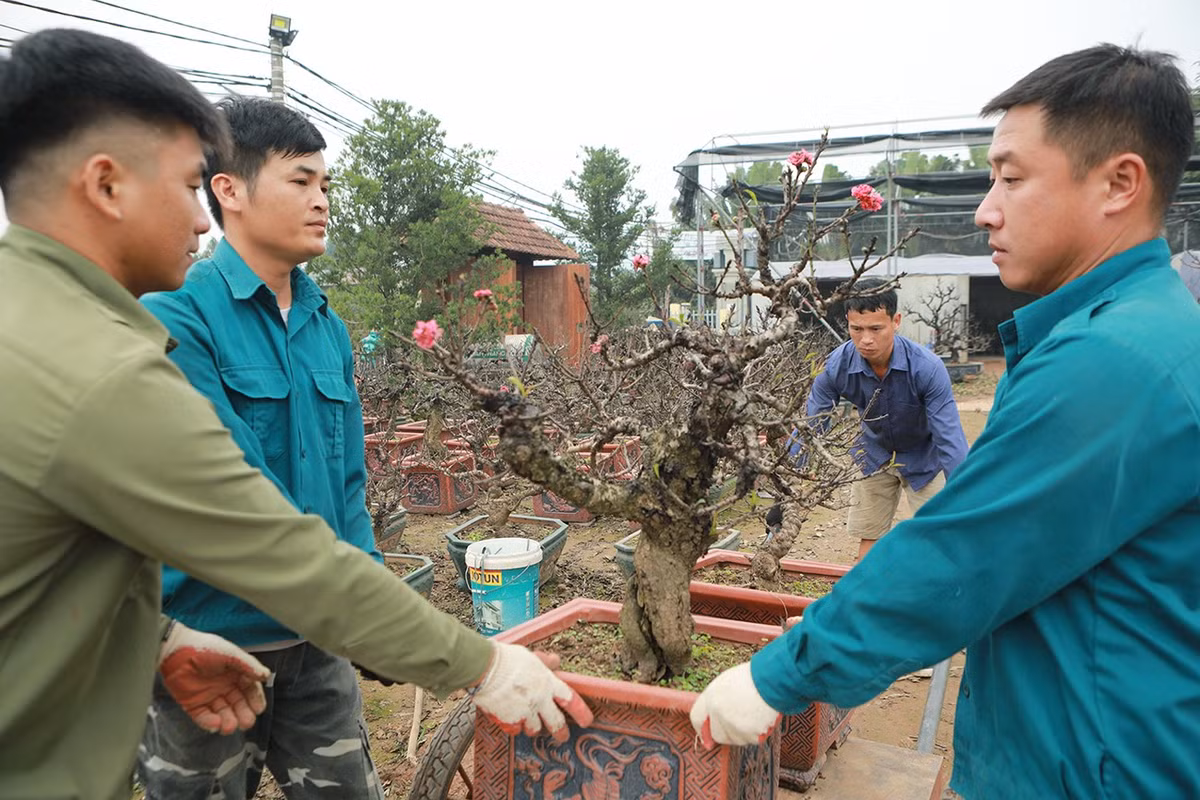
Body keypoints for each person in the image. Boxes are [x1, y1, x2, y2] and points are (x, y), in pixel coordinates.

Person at [0, 29, 591, 800]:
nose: (201, 219)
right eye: (187, 186)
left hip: (306, 638)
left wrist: (156, 639)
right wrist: (483, 663)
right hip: (235, 628)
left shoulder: (43, 328)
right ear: (107, 185)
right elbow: (259, 530)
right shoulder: (115, 356)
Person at [691, 44, 1199, 799]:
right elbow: (820, 404)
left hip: (1091, 768)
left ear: (1120, 183)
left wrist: (778, 675)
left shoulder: (1111, 359)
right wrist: (795, 451)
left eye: (1012, 177)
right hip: (1077, 731)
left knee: (923, 534)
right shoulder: (1148, 331)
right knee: (873, 538)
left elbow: (963, 549)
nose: (985, 207)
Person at [135, 96, 391, 798]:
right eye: (301, 181)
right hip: (210, 649)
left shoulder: (324, 323)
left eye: (325, 185)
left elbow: (347, 482)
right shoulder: (176, 313)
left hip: (317, 645)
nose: (322, 202)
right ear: (229, 190)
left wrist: (366, 598)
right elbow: (232, 487)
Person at [771, 279, 969, 562]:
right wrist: (786, 488)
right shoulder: (836, 365)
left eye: (876, 328)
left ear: (896, 321)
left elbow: (950, 438)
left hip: (926, 456)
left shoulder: (927, 368)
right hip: (873, 454)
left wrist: (969, 493)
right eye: (856, 329)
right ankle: (867, 601)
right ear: (848, 324)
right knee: (869, 535)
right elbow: (810, 424)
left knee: (942, 535)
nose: (866, 339)